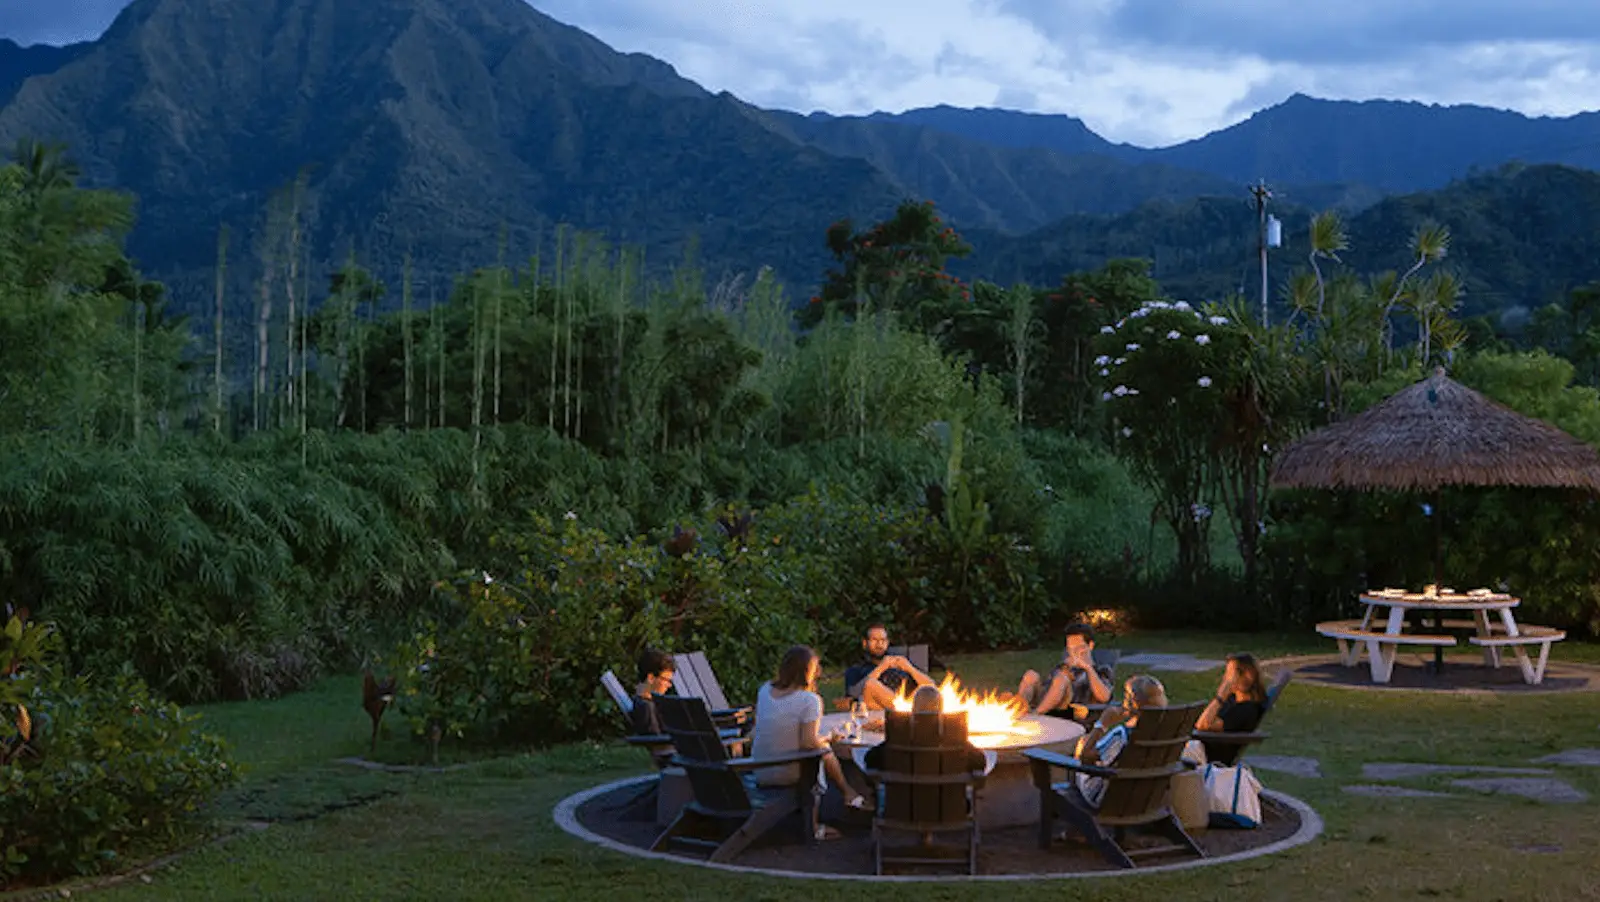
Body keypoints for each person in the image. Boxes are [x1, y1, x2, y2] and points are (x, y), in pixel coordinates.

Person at [749, 645, 868, 839]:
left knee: (822, 748)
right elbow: (807, 743)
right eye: (815, 668)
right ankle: (814, 826)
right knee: (822, 751)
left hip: (760, 768)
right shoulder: (809, 700)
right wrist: (829, 738)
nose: (818, 673)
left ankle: (848, 794)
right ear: (805, 671)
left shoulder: (765, 690)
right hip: (786, 772)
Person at [1074, 674, 1167, 808]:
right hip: (1149, 797)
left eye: (1126, 696)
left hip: (1111, 799)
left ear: (1132, 702)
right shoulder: (1166, 730)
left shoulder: (1122, 735)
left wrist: (1102, 724)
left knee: (1079, 750)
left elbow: (1085, 757)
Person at [1015, 623, 1113, 716]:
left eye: (1078, 648)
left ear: (1090, 645)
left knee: (1061, 678)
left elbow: (1104, 697)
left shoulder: (1102, 669)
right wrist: (1065, 668)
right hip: (1049, 702)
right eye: (1070, 648)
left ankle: (1035, 715)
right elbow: (1048, 686)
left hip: (1067, 709)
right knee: (1031, 675)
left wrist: (1087, 668)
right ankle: (1018, 711)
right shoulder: (1064, 665)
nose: (1073, 653)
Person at [1193, 653, 1269, 763]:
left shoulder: (1245, 709)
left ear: (1246, 676)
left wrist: (1220, 696)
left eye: (1230, 674)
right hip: (1197, 747)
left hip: (1206, 755)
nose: (1226, 678)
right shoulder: (1233, 699)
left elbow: (1203, 725)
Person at [843, 624, 935, 710]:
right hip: (879, 714)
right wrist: (881, 668)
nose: (879, 644)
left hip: (908, 707)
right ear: (865, 643)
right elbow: (853, 694)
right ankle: (904, 710)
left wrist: (910, 668)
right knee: (871, 684)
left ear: (887, 642)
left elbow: (932, 688)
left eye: (883, 640)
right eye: (874, 640)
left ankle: (906, 710)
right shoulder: (857, 668)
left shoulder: (899, 662)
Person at [630, 648, 674, 738]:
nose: (669, 685)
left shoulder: (646, 702)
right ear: (650, 678)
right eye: (666, 680)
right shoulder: (647, 707)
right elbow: (656, 739)